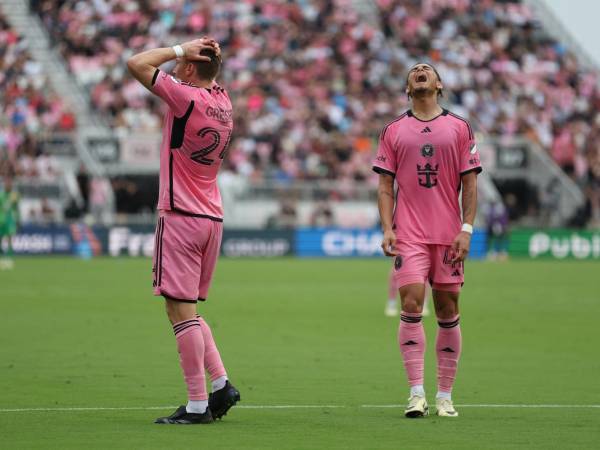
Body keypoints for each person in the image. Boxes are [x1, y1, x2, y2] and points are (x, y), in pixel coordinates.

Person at [127, 37, 240, 425]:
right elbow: (213, 75)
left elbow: (137, 63)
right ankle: (221, 383)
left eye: (182, 66)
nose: (175, 69)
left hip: (180, 213)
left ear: (191, 68)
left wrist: (180, 49)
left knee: (178, 311)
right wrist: (206, 57)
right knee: (188, 308)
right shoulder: (224, 103)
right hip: (212, 217)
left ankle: (196, 406)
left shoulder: (185, 96)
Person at [372, 63, 481, 418]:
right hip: (411, 235)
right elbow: (385, 185)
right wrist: (388, 228)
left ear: (439, 84)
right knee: (412, 303)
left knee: (448, 310)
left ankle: (445, 396)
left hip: (449, 236)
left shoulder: (459, 128)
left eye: (427, 69)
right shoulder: (393, 130)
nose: (420, 70)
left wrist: (466, 229)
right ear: (407, 88)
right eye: (414, 70)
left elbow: (470, 183)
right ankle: (416, 393)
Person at [0, 178, 19, 270]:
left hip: (10, 219)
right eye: (7, 184)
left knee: (10, 236)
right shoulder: (1, 195)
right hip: (1, 218)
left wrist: (18, 218)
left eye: (10, 184)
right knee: (1, 235)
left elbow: (16, 207)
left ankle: (10, 252)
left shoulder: (14, 195)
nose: (8, 186)